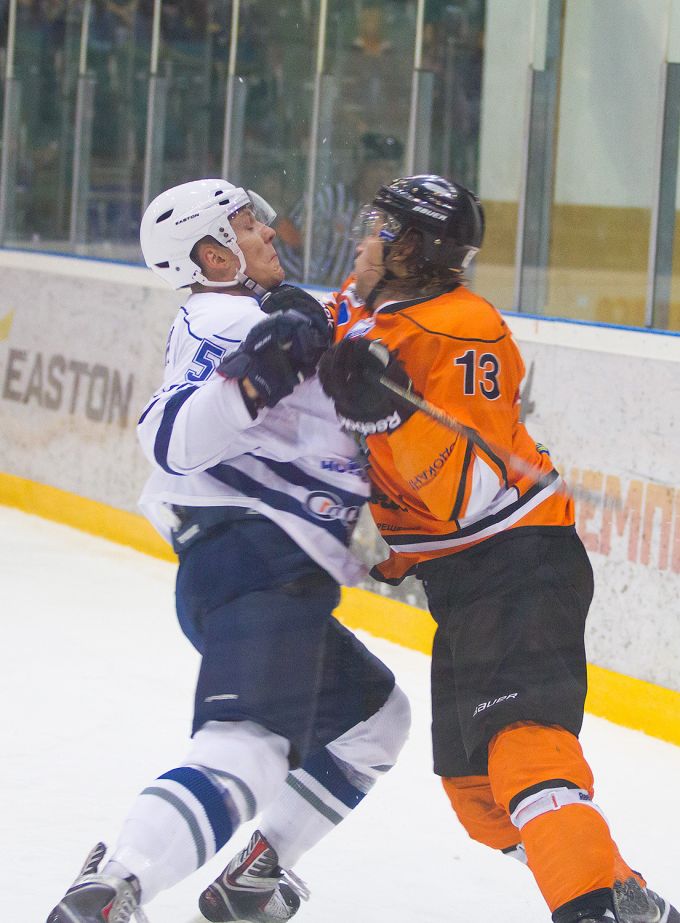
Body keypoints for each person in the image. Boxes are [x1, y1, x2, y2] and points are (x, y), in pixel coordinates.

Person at [315, 175, 679, 923]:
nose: (363, 240)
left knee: (524, 748)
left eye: (378, 228)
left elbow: (468, 491)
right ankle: (626, 898)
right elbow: (333, 326)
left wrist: (391, 420)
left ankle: (593, 908)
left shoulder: (461, 331)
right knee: (477, 794)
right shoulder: (384, 314)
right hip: (466, 582)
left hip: (519, 563)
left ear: (409, 249)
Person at [45, 178, 410, 923]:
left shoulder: (255, 313)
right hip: (255, 559)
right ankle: (114, 884)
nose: (268, 233)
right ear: (214, 256)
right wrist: (256, 378)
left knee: (376, 719)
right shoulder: (225, 316)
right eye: (246, 226)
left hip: (268, 569)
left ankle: (256, 871)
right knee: (247, 749)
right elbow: (171, 435)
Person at [275, 131, 404, 286]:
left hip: (354, 298)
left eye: (389, 169)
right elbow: (284, 237)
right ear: (361, 166)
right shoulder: (326, 200)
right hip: (309, 292)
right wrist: (302, 285)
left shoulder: (391, 218)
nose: (382, 175)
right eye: (376, 167)